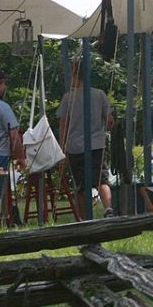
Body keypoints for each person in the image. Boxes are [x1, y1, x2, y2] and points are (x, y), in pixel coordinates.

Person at [57, 62, 115, 216]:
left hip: (75, 146)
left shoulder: (68, 98)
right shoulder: (100, 94)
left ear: (75, 75)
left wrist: (62, 146)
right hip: (96, 144)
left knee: (80, 184)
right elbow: (109, 120)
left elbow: (63, 125)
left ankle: (84, 217)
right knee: (101, 179)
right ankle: (108, 208)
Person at [0, 66, 26, 219]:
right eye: (4, 83)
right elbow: (14, 136)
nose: (4, 87)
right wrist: (20, 157)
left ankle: (0, 218)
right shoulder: (3, 108)